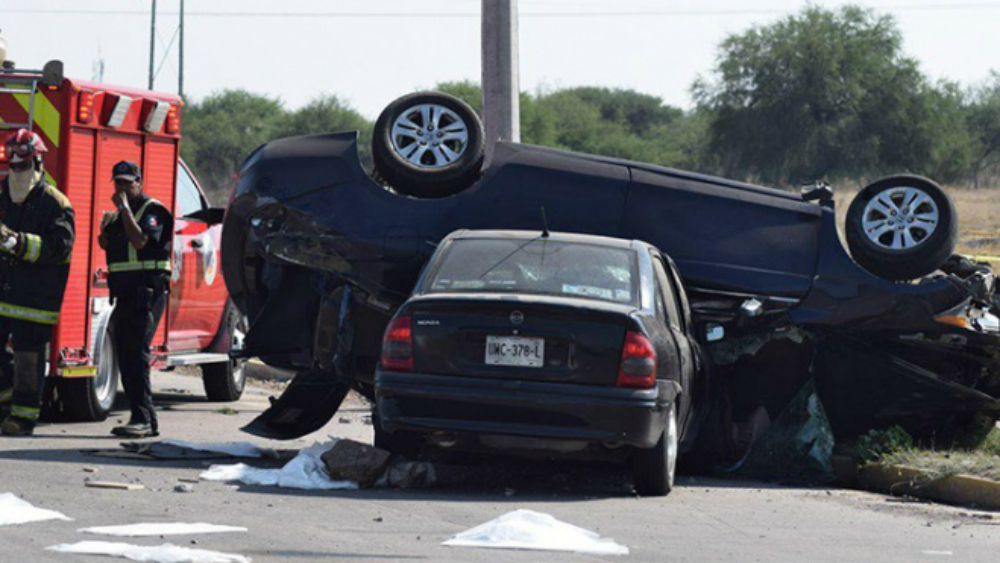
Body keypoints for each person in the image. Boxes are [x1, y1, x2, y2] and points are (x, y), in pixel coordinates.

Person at [0, 129, 75, 436]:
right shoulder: (2, 195)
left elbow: (61, 246)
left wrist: (20, 243)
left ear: (38, 163)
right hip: (3, 291)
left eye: (23, 165)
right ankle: (5, 406)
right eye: (12, 166)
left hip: (35, 300)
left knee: (28, 359)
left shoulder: (56, 204)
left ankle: (23, 417)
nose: (16, 172)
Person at [98, 161, 173, 438]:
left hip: (147, 293)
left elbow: (141, 241)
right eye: (118, 183)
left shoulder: (152, 211)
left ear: (139, 182)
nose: (122, 188)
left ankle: (144, 418)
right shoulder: (119, 215)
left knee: (136, 354)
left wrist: (125, 211)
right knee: (126, 355)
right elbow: (107, 244)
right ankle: (140, 417)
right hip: (126, 295)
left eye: (128, 183)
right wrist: (106, 230)